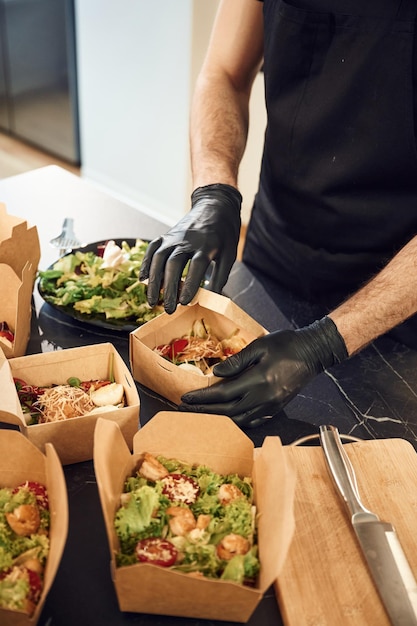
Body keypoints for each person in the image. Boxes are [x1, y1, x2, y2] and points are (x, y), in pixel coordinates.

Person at [139, 0, 417, 428]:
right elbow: (224, 73)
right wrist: (214, 191)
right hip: (277, 252)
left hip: (398, 304)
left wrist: (323, 343)